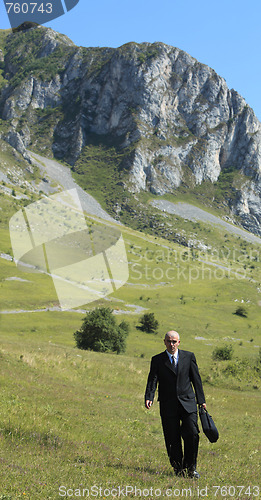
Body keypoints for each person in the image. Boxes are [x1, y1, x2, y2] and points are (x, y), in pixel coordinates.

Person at [145, 330, 206, 478]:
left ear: (179, 342)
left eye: (174, 341)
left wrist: (201, 400)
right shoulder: (157, 360)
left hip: (188, 403)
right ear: (164, 342)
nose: (171, 344)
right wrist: (149, 396)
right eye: (168, 341)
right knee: (172, 437)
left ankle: (191, 468)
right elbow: (153, 379)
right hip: (168, 404)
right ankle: (178, 469)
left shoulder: (189, 357)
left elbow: (196, 380)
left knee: (192, 434)